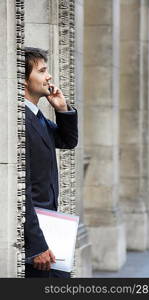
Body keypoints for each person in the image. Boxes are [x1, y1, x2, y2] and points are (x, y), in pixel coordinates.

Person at [24, 47, 78, 278]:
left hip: (48, 228)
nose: (49, 76)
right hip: (34, 237)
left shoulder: (36, 116)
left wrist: (62, 108)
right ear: (24, 80)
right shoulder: (20, 119)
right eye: (42, 71)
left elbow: (67, 141)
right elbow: (19, 191)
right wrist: (36, 245)